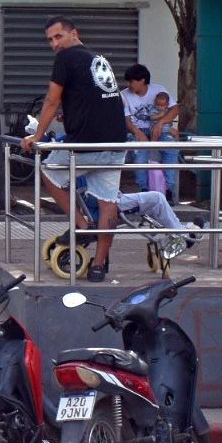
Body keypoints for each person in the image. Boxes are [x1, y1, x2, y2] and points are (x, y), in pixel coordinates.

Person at [21, 15, 129, 282]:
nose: (54, 44)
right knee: (108, 203)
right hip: (115, 142)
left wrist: (37, 135)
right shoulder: (97, 59)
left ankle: (83, 226)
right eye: (50, 40)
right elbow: (95, 100)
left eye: (58, 36)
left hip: (84, 145)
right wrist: (69, 117)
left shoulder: (66, 58)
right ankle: (99, 265)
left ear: (73, 33)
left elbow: (51, 99)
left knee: (47, 172)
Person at [121, 64, 182, 202]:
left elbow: (174, 109)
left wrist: (161, 124)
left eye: (131, 81)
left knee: (171, 149)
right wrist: (137, 132)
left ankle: (167, 189)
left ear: (142, 80)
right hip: (137, 130)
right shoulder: (124, 95)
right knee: (139, 154)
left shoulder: (159, 90)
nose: (128, 84)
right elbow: (126, 119)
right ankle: (144, 189)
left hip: (159, 128)